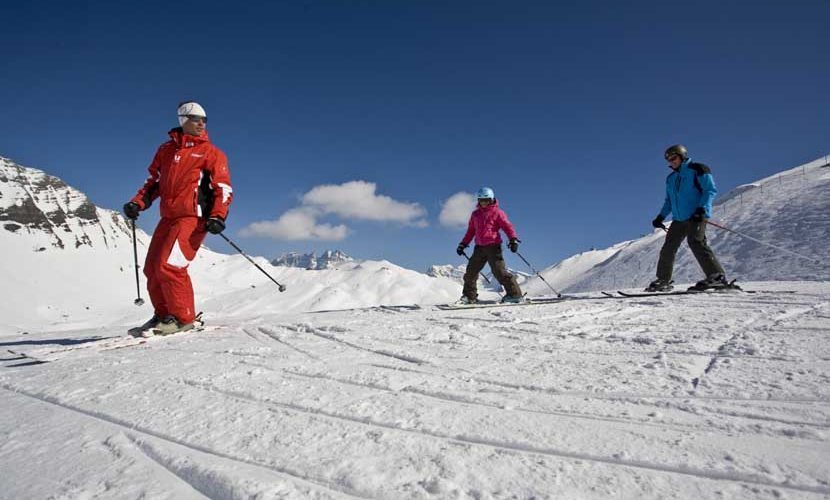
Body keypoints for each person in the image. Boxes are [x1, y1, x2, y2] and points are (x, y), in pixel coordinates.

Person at [123, 101, 233, 335]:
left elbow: (223, 187)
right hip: (168, 217)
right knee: (152, 268)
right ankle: (164, 316)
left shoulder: (211, 153)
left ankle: (184, 319)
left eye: (204, 119)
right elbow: (153, 183)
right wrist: (138, 202)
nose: (202, 123)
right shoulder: (166, 151)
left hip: (193, 217)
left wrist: (218, 215)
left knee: (171, 265)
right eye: (196, 118)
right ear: (183, 120)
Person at [647, 144, 728, 292]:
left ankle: (716, 277)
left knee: (696, 241)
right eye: (668, 160)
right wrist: (660, 216)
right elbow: (669, 201)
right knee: (668, 248)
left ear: (682, 156)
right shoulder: (671, 179)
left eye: (674, 158)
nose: (671, 161)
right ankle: (663, 280)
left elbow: (710, 190)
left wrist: (702, 209)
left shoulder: (698, 169)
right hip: (679, 219)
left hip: (696, 215)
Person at [456, 187, 523, 303]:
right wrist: (463, 244)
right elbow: (471, 231)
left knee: (499, 272)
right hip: (479, 248)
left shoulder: (498, 212)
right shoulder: (475, 214)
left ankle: (514, 295)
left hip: (493, 246)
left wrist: (513, 239)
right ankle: (469, 297)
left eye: (486, 200)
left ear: (492, 200)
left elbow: (507, 227)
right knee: (470, 272)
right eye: (481, 200)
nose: (484, 203)